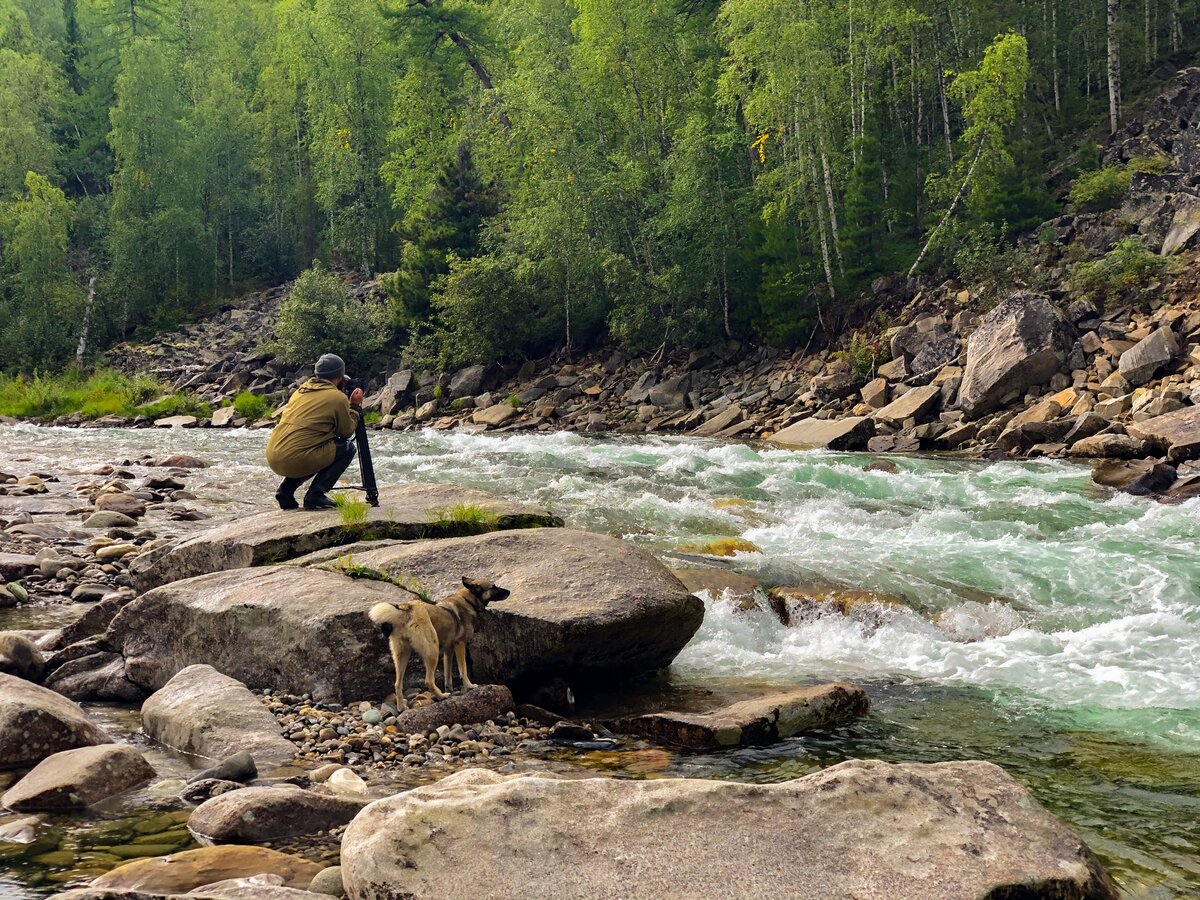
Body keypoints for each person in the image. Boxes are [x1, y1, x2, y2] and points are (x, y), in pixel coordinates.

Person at [266, 353, 365, 510]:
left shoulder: (300, 391)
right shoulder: (337, 398)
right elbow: (346, 433)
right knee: (346, 448)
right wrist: (354, 407)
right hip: (298, 459)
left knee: (312, 447)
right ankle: (316, 495)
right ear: (340, 377)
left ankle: (286, 490)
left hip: (274, 456)